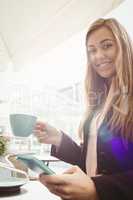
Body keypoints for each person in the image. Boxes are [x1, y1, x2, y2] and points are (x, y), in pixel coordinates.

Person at [34, 18, 133, 200]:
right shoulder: (100, 102)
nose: (98, 55)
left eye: (107, 46)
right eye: (92, 50)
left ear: (123, 47)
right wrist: (58, 138)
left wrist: (97, 188)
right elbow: (93, 160)